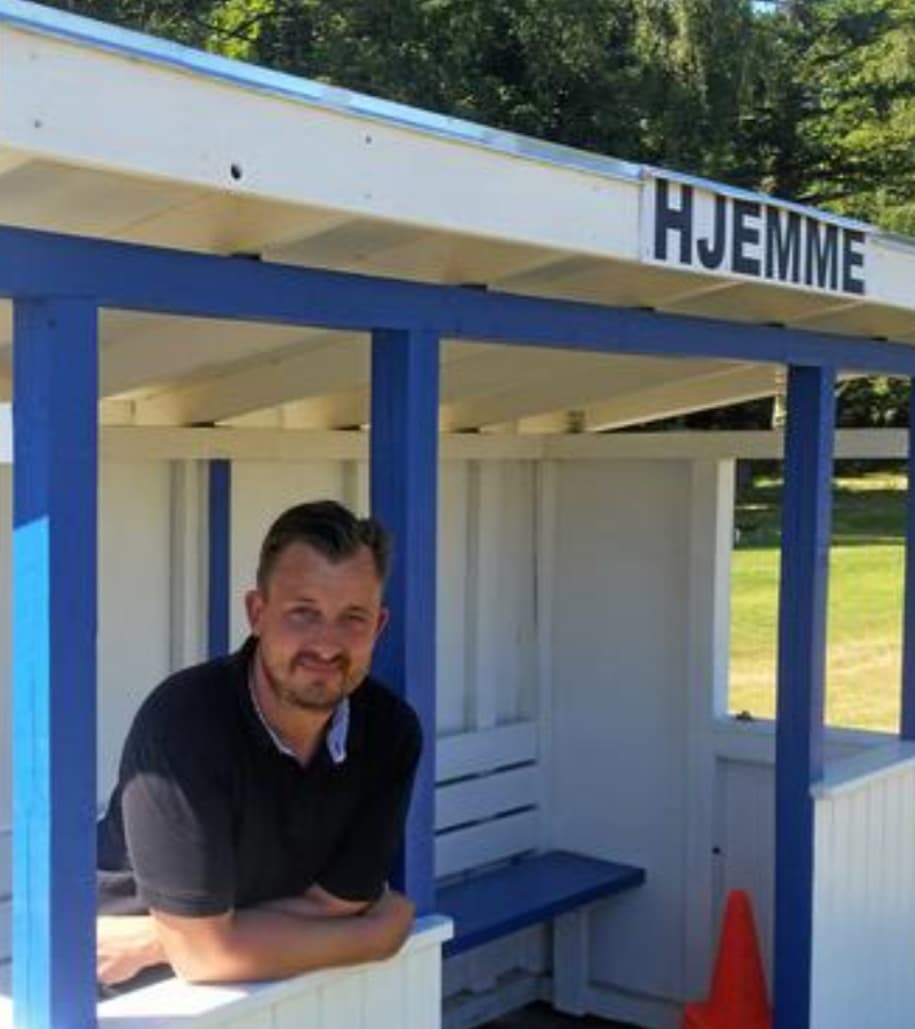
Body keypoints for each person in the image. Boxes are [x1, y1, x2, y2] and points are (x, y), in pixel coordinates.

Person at [95, 500, 420, 988]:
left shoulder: (389, 732)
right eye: (303, 613)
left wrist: (162, 941)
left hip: (255, 980)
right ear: (257, 613)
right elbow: (205, 960)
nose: (326, 644)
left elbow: (336, 906)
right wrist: (377, 937)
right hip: (127, 995)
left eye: (353, 617)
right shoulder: (186, 722)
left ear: (378, 626)